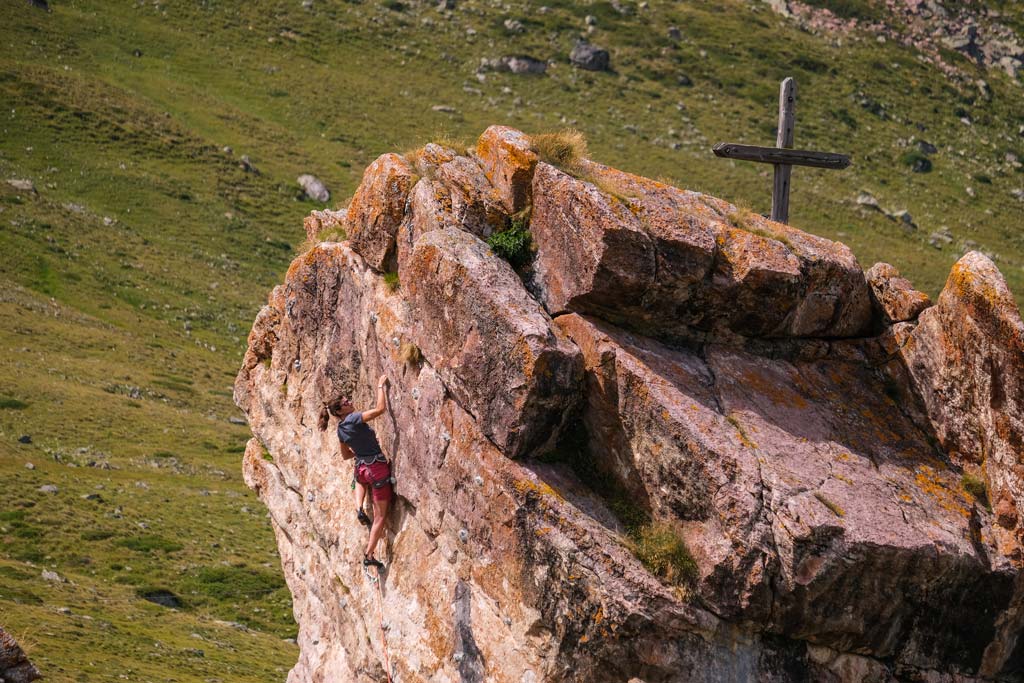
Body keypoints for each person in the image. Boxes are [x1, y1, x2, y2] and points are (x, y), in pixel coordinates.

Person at [318, 375, 393, 569]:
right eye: (345, 402)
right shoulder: (352, 418)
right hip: (376, 468)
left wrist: (360, 450)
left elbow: (345, 455)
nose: (349, 402)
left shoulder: (341, 429)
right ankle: (369, 554)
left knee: (360, 479)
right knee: (380, 517)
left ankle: (358, 507)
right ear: (339, 411)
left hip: (362, 468)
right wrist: (380, 386)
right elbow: (380, 410)